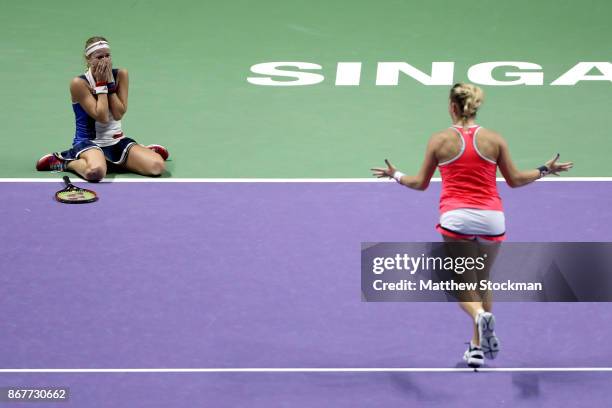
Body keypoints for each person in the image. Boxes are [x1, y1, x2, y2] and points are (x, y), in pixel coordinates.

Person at [371, 83, 573, 367]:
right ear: (475, 107)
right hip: (492, 220)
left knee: (463, 288)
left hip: (457, 220)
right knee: (483, 280)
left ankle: (479, 317)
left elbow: (419, 184)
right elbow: (514, 180)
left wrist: (395, 174)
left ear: (452, 107)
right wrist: (544, 169)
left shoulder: (440, 141)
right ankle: (477, 348)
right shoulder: (494, 140)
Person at [36, 36, 169, 181]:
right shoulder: (79, 83)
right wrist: (101, 84)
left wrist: (110, 84)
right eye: (99, 57)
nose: (105, 61)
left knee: (157, 167)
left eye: (107, 56)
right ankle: (67, 162)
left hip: (116, 141)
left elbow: (118, 114)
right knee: (96, 173)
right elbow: (102, 117)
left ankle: (135, 154)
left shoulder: (121, 75)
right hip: (89, 142)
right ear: (88, 59)